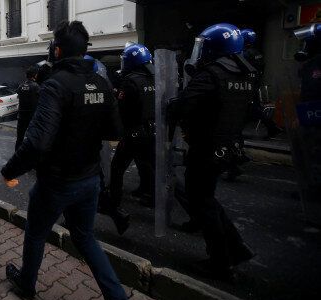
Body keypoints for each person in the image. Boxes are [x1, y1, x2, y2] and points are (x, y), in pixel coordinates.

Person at [1, 21, 128, 300]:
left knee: (35, 234)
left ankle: (27, 284)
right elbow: (114, 132)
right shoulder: (101, 83)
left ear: (57, 50)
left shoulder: (56, 85)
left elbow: (37, 143)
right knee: (85, 238)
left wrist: (10, 170)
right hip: (89, 180)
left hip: (57, 183)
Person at [170, 23, 255, 278]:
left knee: (201, 201)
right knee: (208, 199)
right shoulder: (246, 74)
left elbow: (183, 105)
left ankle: (221, 262)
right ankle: (236, 248)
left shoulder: (211, 74)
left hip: (207, 148)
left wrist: (172, 107)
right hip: (229, 146)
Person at [104, 43, 156, 233]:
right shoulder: (155, 78)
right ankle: (153, 195)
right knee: (153, 167)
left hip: (134, 134)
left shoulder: (130, 81)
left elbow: (122, 110)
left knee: (117, 168)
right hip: (153, 131)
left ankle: (114, 202)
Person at [15, 66, 40, 150]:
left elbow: (19, 95)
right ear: (35, 75)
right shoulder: (36, 86)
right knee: (32, 138)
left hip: (21, 115)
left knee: (19, 138)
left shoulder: (21, 85)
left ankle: (17, 156)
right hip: (32, 116)